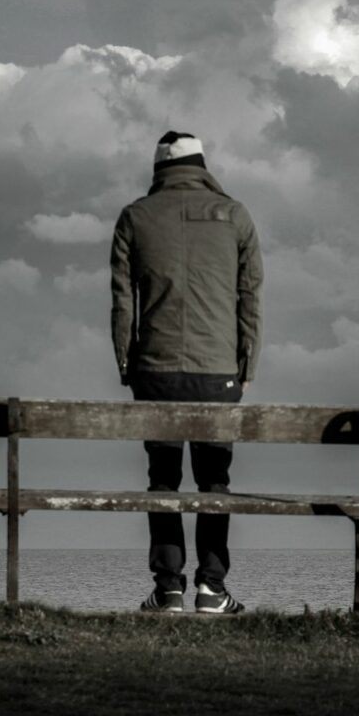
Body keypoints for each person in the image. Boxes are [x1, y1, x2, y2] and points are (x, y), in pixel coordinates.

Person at [110, 131, 263, 614]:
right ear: (202, 163)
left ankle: (169, 587)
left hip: (154, 370)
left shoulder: (135, 216)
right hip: (217, 371)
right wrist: (245, 365)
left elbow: (121, 302)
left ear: (158, 169)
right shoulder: (235, 215)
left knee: (163, 479)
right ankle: (212, 589)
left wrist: (125, 363)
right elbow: (250, 299)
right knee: (214, 480)